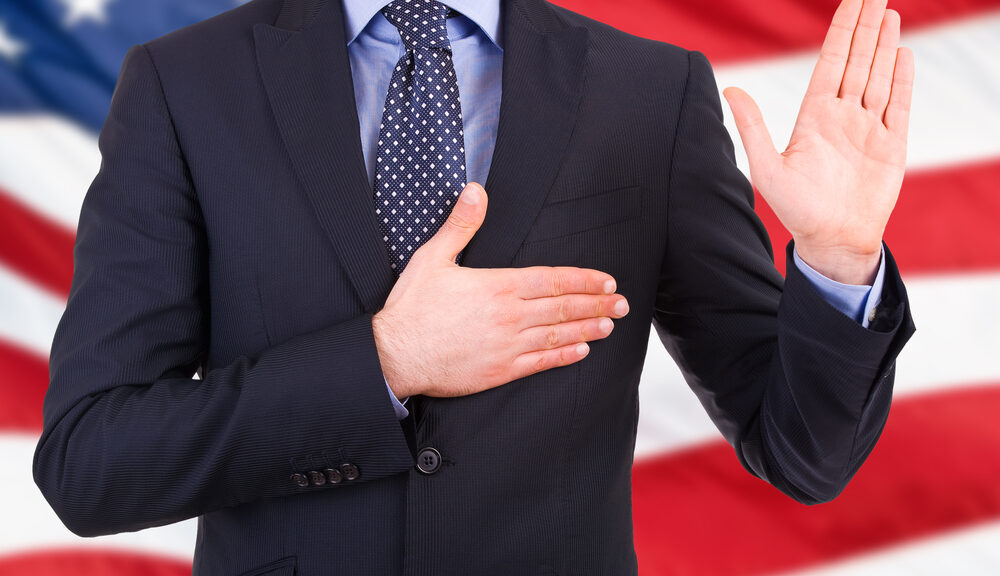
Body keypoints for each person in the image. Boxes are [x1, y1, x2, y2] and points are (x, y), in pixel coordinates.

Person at [33, 0, 915, 573]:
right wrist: (384, 363)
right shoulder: (183, 87)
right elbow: (91, 464)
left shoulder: (649, 95)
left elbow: (802, 451)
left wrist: (839, 260)